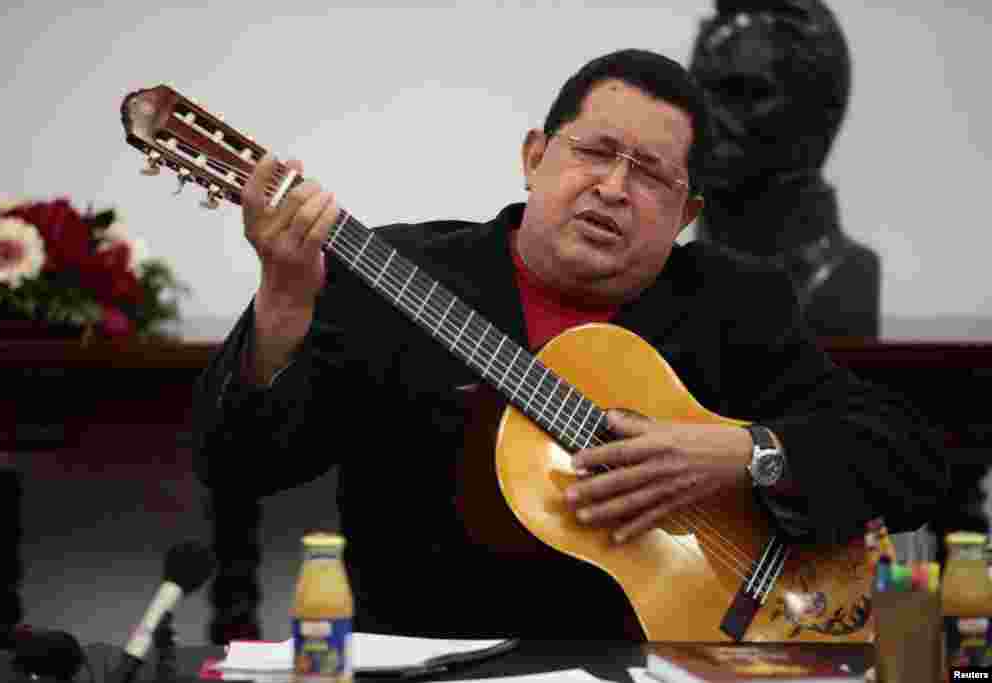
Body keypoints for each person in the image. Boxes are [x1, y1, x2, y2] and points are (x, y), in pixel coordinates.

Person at [191, 48, 948, 640]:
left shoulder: (734, 302)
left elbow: (909, 456)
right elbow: (236, 462)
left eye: (650, 174)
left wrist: (740, 455)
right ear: (533, 156)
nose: (614, 188)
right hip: (438, 662)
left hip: (678, 662)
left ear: (685, 214)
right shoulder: (398, 277)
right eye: (595, 151)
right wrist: (284, 296)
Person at [689, 0, 881, 338]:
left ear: (820, 112)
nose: (705, 118)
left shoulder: (836, 280)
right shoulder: (669, 281)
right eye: (698, 92)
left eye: (746, 93)